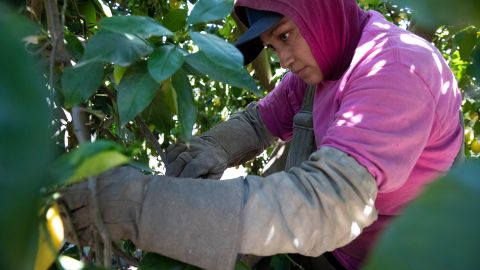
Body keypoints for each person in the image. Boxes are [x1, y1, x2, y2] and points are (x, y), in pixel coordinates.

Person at [62, 0, 464, 269]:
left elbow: (327, 204)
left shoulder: (394, 69)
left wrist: (141, 206)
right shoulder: (321, 62)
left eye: (286, 35)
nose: (284, 59)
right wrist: (213, 147)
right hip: (334, 253)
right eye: (273, 47)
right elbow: (260, 121)